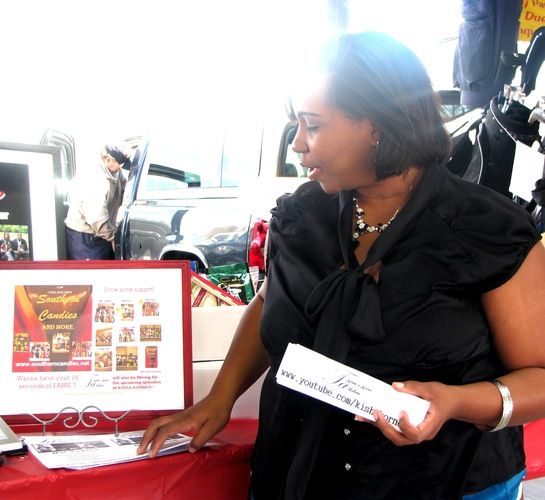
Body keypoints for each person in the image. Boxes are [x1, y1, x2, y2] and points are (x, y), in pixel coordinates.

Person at [137, 32, 545, 499]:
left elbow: (540, 378)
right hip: (296, 474)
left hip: (443, 480)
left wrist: (454, 402)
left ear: (377, 125)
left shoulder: (487, 230)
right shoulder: (301, 215)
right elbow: (271, 302)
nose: (297, 144)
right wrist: (220, 397)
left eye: (312, 125)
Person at [65, 143, 130, 260]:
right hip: (86, 237)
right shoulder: (94, 178)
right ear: (109, 160)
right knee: (94, 270)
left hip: (101, 233)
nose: (121, 168)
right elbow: (96, 217)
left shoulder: (115, 172)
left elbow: (124, 188)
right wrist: (113, 238)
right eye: (120, 164)